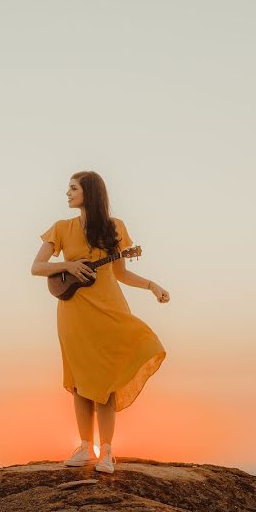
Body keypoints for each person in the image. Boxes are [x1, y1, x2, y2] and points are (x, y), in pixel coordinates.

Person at [31, 171, 169, 473]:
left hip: (109, 308)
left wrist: (151, 286)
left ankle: (106, 451)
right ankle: (84, 447)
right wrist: (68, 264)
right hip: (74, 311)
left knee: (107, 380)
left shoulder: (114, 227)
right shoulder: (61, 228)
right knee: (80, 381)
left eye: (73, 188)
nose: (67, 193)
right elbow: (37, 267)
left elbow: (121, 273)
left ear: (89, 192)